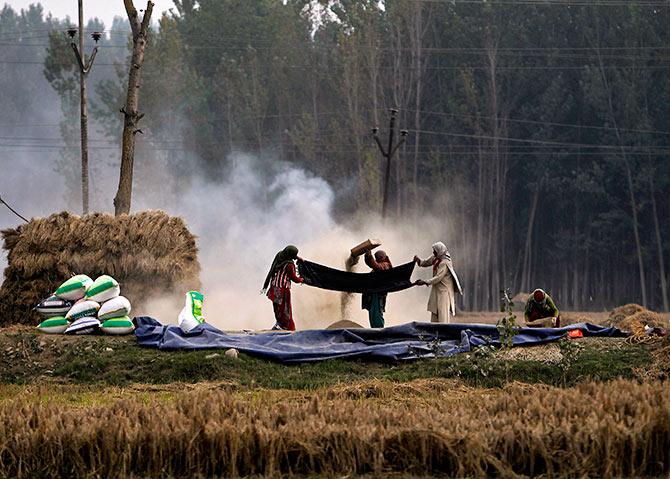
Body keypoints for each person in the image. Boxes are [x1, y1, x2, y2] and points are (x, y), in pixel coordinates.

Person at [414, 242, 463, 323]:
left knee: (443, 314)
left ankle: (443, 334)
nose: (433, 253)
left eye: (435, 251)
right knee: (434, 313)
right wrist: (419, 261)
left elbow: (438, 277)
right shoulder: (436, 258)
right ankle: (434, 333)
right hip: (437, 290)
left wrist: (425, 282)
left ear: (439, 251)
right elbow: (426, 262)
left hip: (444, 292)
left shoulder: (445, 262)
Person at [262, 245, 304, 331]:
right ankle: (287, 328)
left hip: (274, 287)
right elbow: (294, 278)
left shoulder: (280, 256)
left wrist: (298, 258)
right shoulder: (289, 265)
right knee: (285, 310)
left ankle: (279, 324)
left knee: (278, 308)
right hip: (283, 290)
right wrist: (302, 279)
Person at [361, 250, 392, 328]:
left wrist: (369, 256)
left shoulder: (386, 265)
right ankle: (376, 331)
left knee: (376, 315)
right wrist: (367, 257)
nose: (377, 258)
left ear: (382, 257)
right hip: (374, 294)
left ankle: (379, 333)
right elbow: (372, 264)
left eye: (378, 257)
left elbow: (376, 266)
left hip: (378, 295)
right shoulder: (380, 265)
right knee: (373, 315)